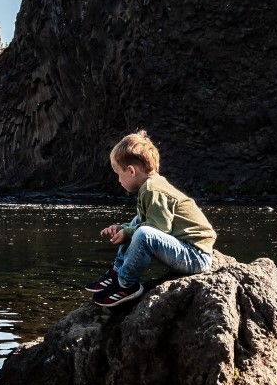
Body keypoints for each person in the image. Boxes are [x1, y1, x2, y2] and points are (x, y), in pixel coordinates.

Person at [85, 130, 216, 307]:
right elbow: (144, 221)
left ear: (131, 171)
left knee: (143, 233)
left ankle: (126, 284)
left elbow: (158, 230)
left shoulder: (153, 190)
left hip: (196, 256)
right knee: (136, 222)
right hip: (187, 249)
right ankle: (117, 272)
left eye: (118, 174)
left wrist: (128, 233)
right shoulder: (150, 185)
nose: (118, 180)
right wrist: (123, 228)